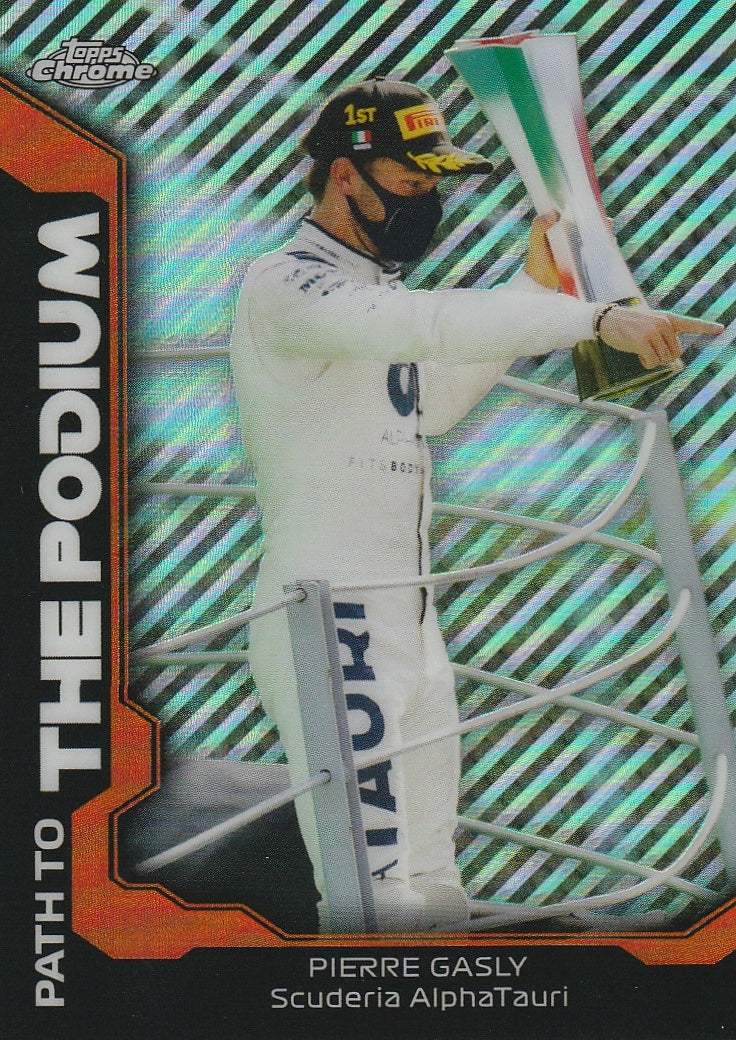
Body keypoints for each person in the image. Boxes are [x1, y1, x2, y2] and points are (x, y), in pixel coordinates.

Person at [229, 77, 722, 933]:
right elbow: (431, 326)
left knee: (436, 888)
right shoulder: (286, 283)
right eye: (411, 181)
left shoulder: (372, 295)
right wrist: (590, 319)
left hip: (408, 619)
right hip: (329, 619)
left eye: (435, 183)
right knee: (373, 901)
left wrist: (533, 290)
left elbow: (433, 403)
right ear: (344, 175)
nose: (427, 200)